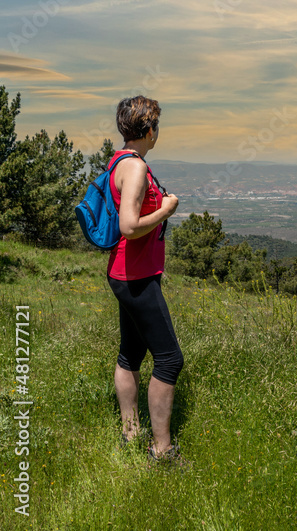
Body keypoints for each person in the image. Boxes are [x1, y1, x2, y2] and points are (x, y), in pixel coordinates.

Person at [105, 95, 184, 463]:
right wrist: (166, 209)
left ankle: (130, 432)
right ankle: (162, 449)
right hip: (135, 276)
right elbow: (129, 226)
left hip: (125, 273)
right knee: (170, 360)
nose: (158, 132)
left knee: (131, 354)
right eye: (157, 125)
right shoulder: (135, 167)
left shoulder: (120, 161)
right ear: (148, 129)